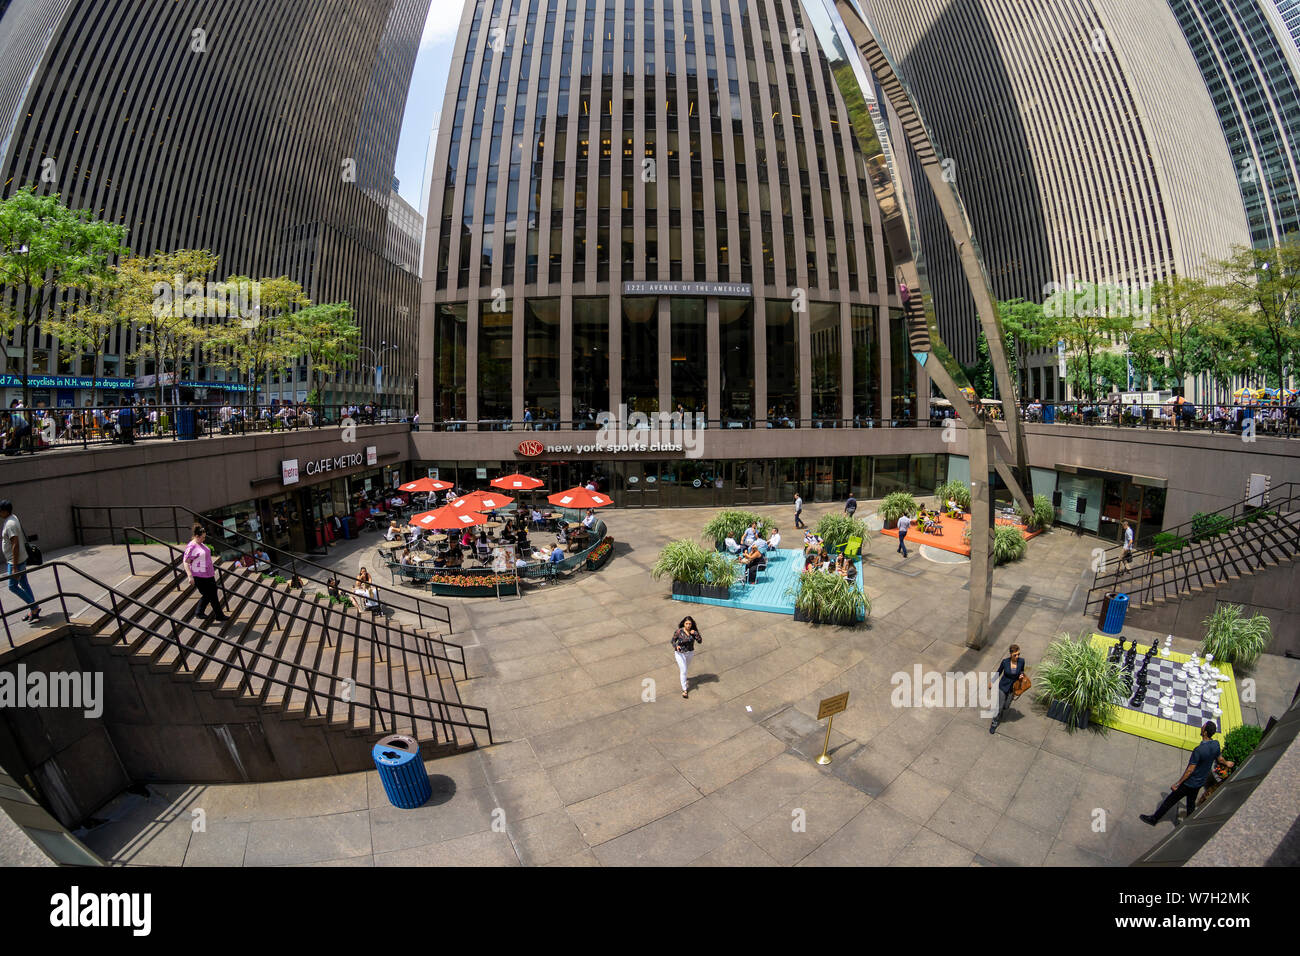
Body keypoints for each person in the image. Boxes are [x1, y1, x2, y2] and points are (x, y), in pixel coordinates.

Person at [1141, 722, 1221, 827]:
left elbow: (1190, 770)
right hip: (1199, 782)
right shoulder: (1216, 744)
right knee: (1191, 804)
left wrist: (1178, 783)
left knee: (1169, 801)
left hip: (1189, 783)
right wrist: (1226, 763)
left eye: (1203, 726)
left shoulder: (1199, 750)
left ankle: (1154, 819)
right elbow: (1220, 758)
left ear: (1205, 732)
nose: (1201, 727)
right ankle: (1189, 824)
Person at [1, 500, 39, 623]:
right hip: (20, 559)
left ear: (5, 511)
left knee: (12, 587)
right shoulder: (13, 517)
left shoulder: (10, 524)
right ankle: (34, 609)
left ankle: (34, 607)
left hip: (14, 562)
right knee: (24, 584)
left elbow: (15, 544)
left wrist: (14, 567)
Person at [183, 524, 227, 622]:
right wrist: (190, 576)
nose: (204, 539)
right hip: (199, 575)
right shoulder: (192, 546)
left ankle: (218, 615)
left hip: (208, 574)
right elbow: (186, 562)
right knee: (208, 594)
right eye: (202, 537)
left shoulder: (200, 544)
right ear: (197, 536)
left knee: (213, 594)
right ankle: (200, 612)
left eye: (204, 537)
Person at [988, 643, 1026, 733]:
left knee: (1006, 706)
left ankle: (1000, 712)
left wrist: (1021, 675)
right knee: (1000, 706)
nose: (1017, 656)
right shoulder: (1005, 662)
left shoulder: (1022, 661)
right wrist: (992, 682)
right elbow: (998, 672)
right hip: (1003, 686)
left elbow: (1022, 670)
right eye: (1015, 655)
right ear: (1010, 654)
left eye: (1018, 654)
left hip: (1013, 688)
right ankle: (994, 722)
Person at [672, 616, 703, 699]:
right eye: (686, 624)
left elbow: (700, 641)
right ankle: (684, 690)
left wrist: (695, 634)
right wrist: (676, 646)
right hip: (680, 653)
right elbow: (673, 641)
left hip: (690, 653)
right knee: (684, 670)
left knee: (686, 667)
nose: (688, 625)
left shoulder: (693, 632)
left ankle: (684, 678)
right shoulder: (679, 631)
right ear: (684, 624)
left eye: (690, 624)